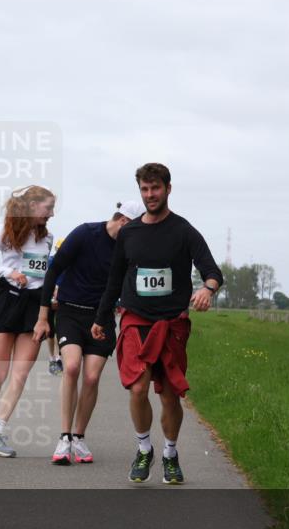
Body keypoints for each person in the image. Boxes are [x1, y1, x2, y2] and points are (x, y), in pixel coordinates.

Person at [92, 163, 222, 485]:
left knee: (168, 396)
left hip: (172, 322)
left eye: (156, 188)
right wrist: (101, 317)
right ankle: (144, 448)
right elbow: (114, 279)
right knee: (138, 387)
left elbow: (212, 270)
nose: (150, 195)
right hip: (136, 319)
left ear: (168, 189)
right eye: (145, 190)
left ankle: (170, 453)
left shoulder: (184, 231)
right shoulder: (130, 232)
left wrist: (207, 289)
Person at [32, 201, 138, 465]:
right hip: (70, 311)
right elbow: (53, 269)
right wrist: (44, 316)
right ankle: (64, 437)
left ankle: (79, 437)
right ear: (124, 221)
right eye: (135, 227)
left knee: (91, 377)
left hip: (101, 318)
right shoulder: (85, 233)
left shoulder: (128, 249)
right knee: (70, 368)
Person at [0, 186, 55, 458]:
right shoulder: (5, 231)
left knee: (20, 374)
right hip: (8, 302)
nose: (51, 214)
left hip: (35, 308)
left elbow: (44, 273)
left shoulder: (47, 238)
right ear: (32, 207)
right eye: (48, 208)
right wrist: (9, 271)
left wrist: (50, 292)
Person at [46, 239, 65, 376]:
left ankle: (59, 356)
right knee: (50, 330)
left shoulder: (69, 263)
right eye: (58, 250)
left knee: (60, 328)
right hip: (49, 297)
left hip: (63, 299)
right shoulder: (49, 261)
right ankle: (51, 356)